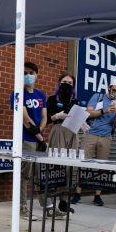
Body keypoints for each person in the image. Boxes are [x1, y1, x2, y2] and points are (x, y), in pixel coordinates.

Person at [9, 62, 62, 220]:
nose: (28, 75)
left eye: (31, 72)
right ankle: (22, 207)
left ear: (37, 74)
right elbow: (25, 120)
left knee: (42, 175)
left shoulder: (40, 95)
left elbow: (44, 117)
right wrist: (40, 138)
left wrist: (41, 132)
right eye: (25, 72)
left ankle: (49, 207)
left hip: (39, 138)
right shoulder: (17, 94)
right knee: (24, 175)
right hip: (26, 139)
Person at [72, 78, 116, 206]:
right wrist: (104, 111)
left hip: (106, 136)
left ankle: (97, 195)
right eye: (114, 90)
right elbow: (87, 113)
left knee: (102, 166)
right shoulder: (98, 96)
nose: (115, 94)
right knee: (83, 164)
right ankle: (78, 193)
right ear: (109, 87)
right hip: (91, 134)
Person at [46, 73, 78, 212]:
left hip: (71, 131)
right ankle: (51, 200)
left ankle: (64, 200)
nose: (67, 84)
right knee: (56, 166)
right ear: (59, 82)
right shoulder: (52, 99)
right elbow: (46, 119)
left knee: (69, 167)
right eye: (65, 81)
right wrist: (56, 116)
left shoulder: (74, 100)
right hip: (58, 129)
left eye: (70, 83)